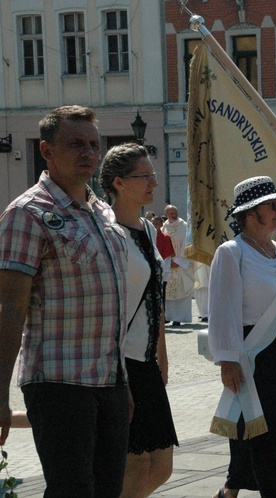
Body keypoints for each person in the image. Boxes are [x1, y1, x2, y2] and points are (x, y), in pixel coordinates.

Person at [0, 105, 131, 497]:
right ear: (47, 151)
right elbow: (9, 308)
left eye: (94, 144)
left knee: (108, 490)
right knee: (72, 491)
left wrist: (123, 384)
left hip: (108, 379)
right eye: (76, 144)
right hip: (58, 381)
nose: (89, 152)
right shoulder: (28, 213)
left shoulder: (102, 212)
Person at [209, 177, 276, 498]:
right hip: (252, 356)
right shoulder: (232, 252)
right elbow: (222, 310)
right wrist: (227, 359)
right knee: (264, 433)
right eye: (273, 206)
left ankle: (236, 487)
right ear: (251, 213)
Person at [100, 143, 179, 498]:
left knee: (161, 466)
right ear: (118, 182)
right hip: (119, 361)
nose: (153, 183)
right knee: (133, 465)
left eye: (153, 175)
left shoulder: (148, 229)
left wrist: (162, 353)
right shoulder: (106, 231)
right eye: (144, 176)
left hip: (146, 361)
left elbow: (154, 297)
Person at [162, 204, 195, 325]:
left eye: (175, 212)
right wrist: (167, 261)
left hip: (180, 264)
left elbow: (187, 244)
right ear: (166, 215)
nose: (174, 215)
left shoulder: (184, 226)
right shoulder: (163, 227)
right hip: (168, 264)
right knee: (168, 293)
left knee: (181, 291)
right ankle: (168, 316)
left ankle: (179, 318)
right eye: (171, 213)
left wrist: (178, 260)